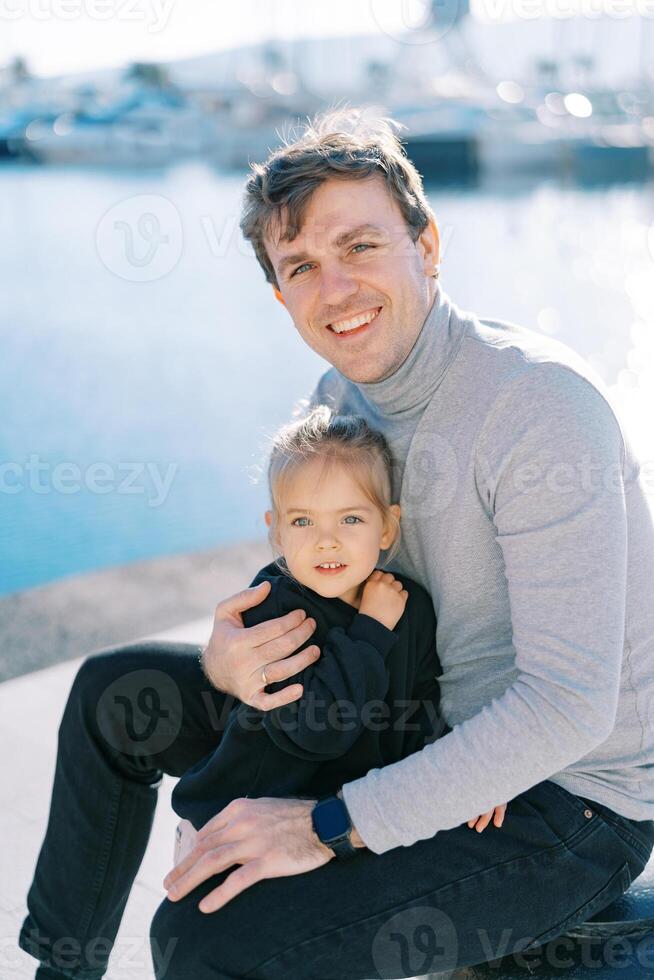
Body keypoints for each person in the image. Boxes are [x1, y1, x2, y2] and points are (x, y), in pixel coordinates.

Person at [19, 107, 654, 980]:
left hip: (563, 801)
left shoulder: (538, 405)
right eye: (302, 268)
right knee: (113, 695)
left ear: (427, 246)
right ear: (281, 297)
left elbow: (569, 706)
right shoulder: (340, 396)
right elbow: (325, 574)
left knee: (205, 942)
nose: (336, 290)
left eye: (361, 247)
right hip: (398, 722)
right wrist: (229, 665)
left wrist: (323, 825)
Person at [169, 405, 505, 842]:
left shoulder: (410, 605)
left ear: (386, 527)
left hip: (334, 825)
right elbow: (318, 729)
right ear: (277, 533)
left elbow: (420, 709)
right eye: (303, 520)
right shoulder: (273, 609)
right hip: (236, 819)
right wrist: (370, 631)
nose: (326, 539)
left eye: (350, 519)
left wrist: (467, 777)